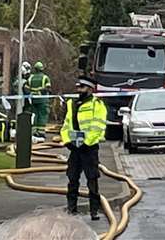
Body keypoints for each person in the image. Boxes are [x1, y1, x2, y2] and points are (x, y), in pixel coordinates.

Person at [63, 77, 107, 221]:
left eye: (81, 87)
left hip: (89, 148)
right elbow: (66, 125)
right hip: (75, 147)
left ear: (89, 89)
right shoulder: (72, 104)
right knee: (72, 177)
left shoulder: (97, 105)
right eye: (77, 87)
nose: (78, 90)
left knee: (92, 179)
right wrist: (67, 141)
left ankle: (94, 210)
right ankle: (71, 208)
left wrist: (86, 143)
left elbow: (98, 127)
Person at [28, 61, 52, 131]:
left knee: (34, 115)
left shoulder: (31, 77)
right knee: (42, 116)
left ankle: (34, 131)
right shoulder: (45, 77)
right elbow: (47, 88)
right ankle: (41, 132)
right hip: (42, 100)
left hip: (33, 100)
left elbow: (27, 88)